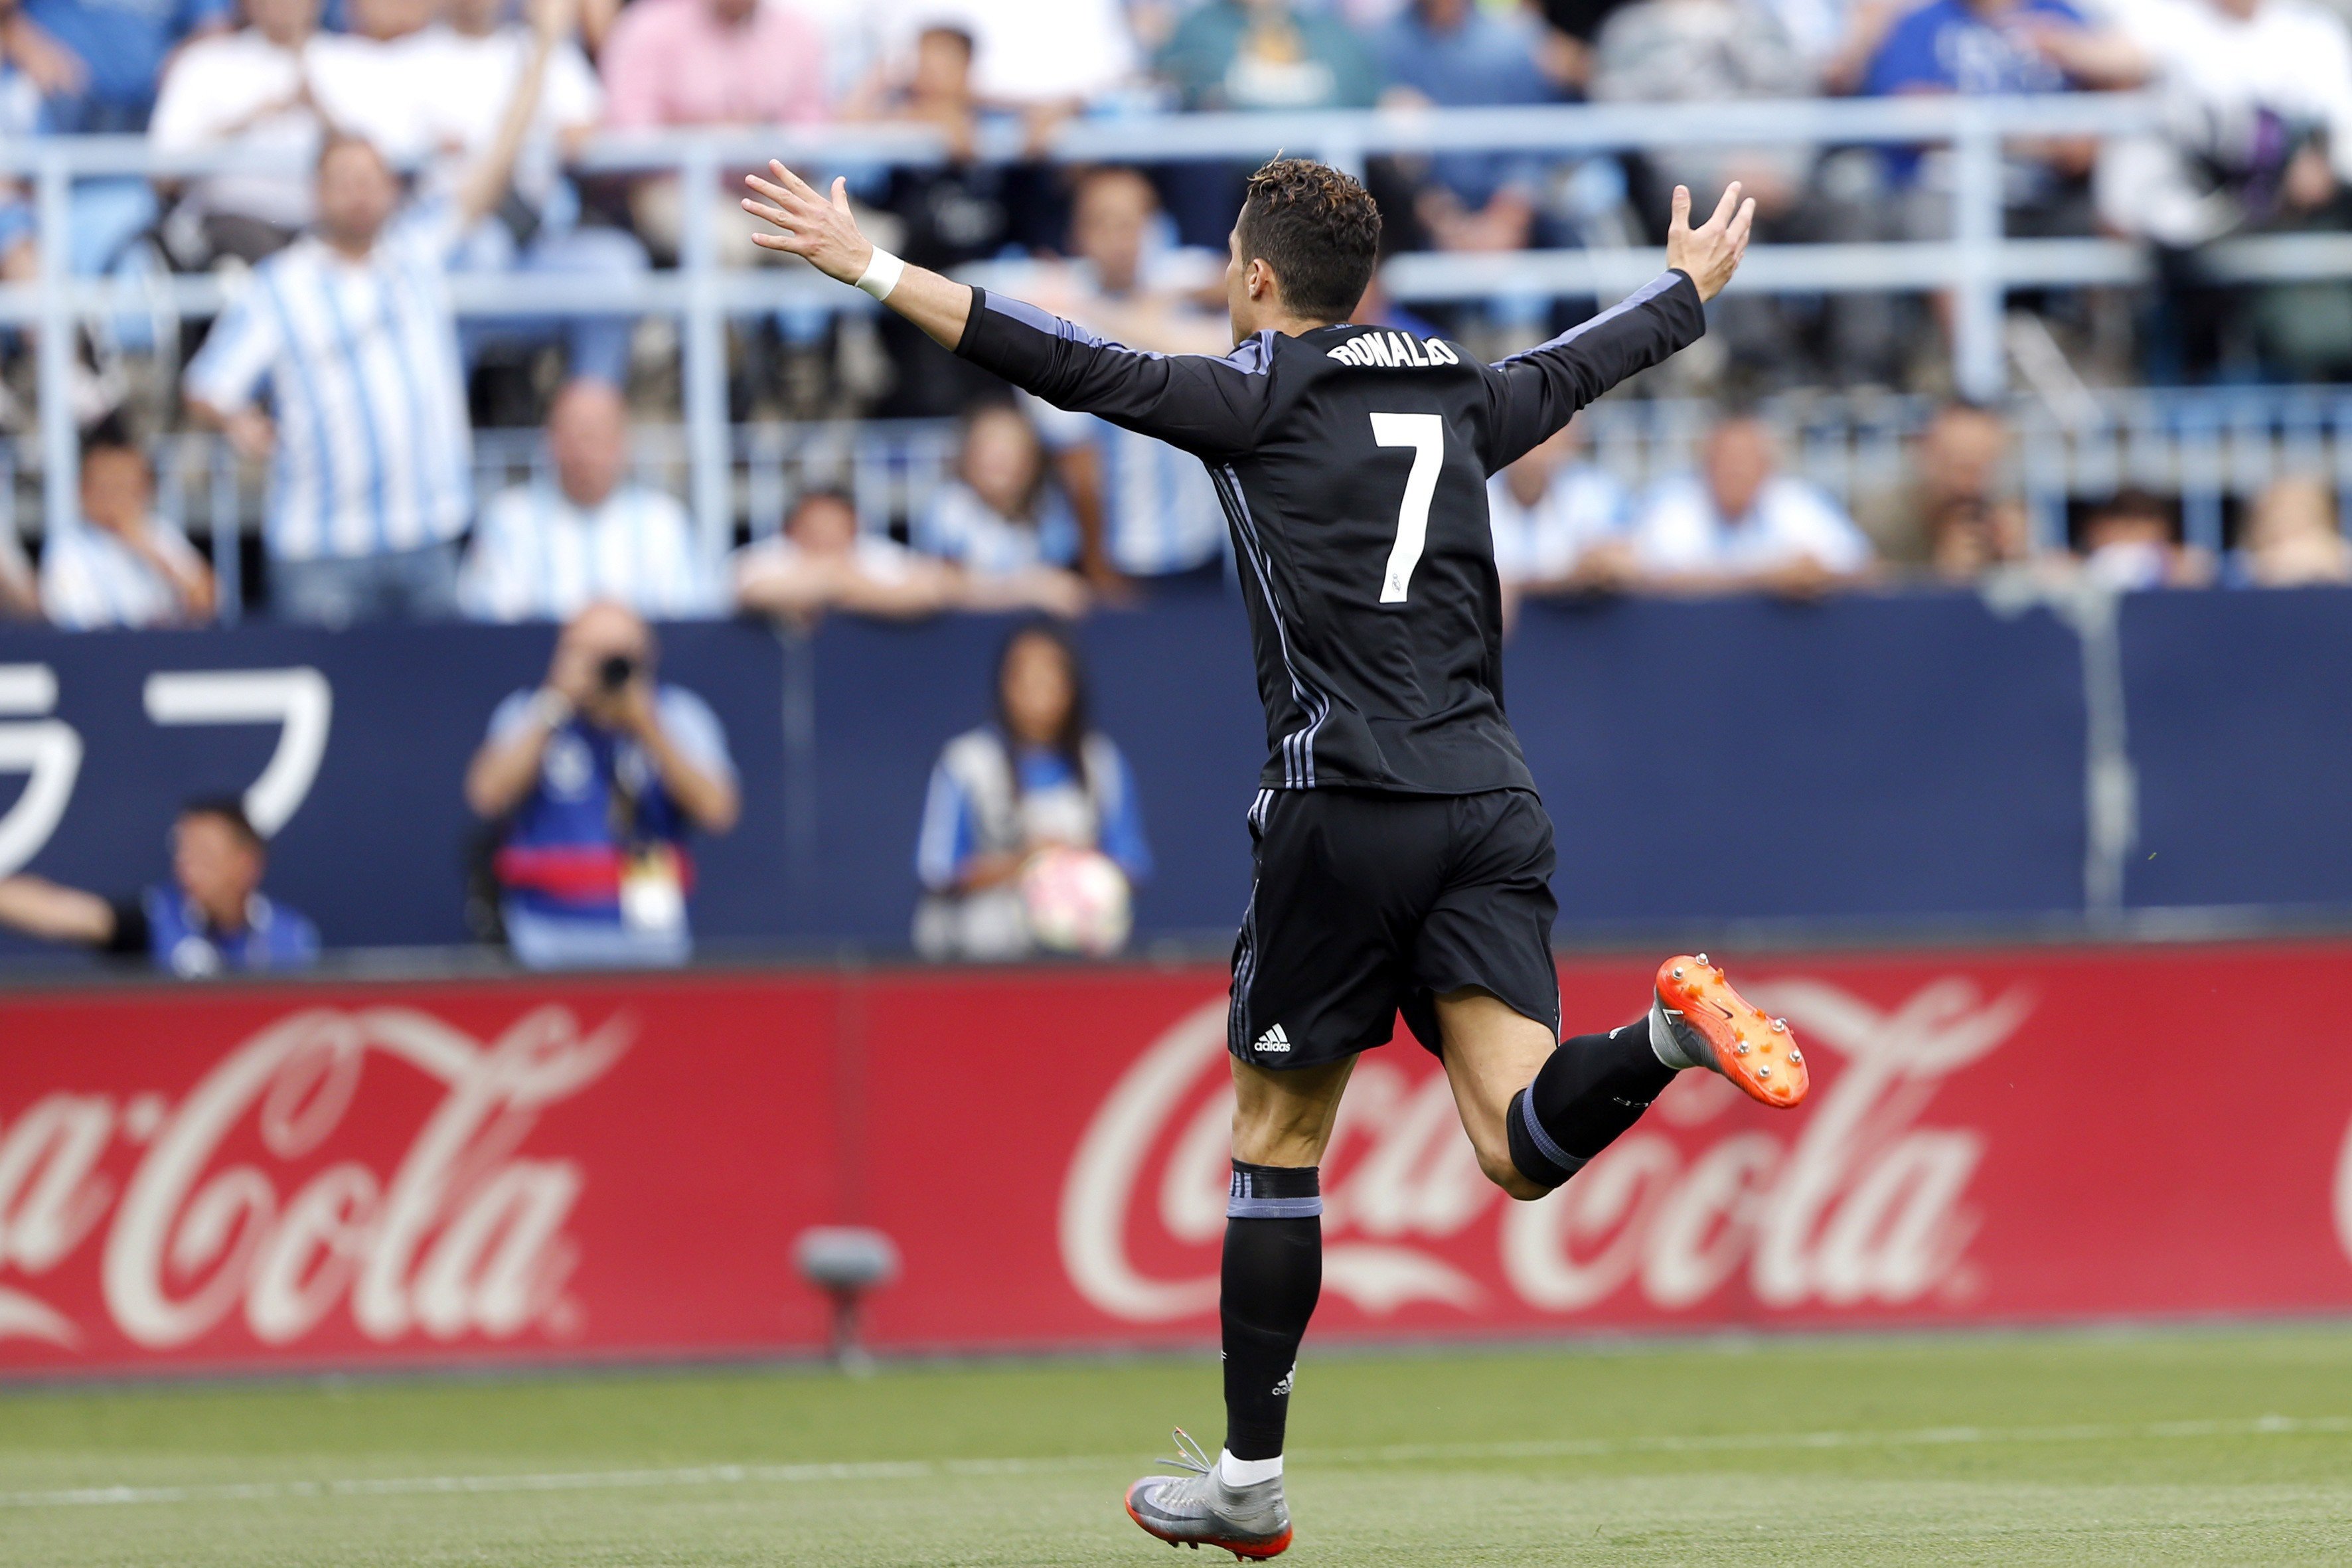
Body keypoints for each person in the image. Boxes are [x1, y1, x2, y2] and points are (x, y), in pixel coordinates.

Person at [741, 151, 1798, 1557]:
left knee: (1276, 1136)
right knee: (1514, 1138)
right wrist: (1683, 290)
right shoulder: (1454, 388)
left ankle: (1249, 1473)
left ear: (1253, 280)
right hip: (1489, 800)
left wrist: (866, 265)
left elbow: (1058, 356)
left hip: (1343, 802)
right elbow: (1575, 366)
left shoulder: (1251, 390)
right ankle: (1663, 1038)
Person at [181, 0, 578, 625]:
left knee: (443, 711)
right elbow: (208, 386)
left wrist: (543, 50)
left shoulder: (416, 253)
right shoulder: (281, 287)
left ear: (392, 188)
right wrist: (241, 424)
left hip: (427, 534)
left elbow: (495, 163)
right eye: (345, 181)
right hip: (323, 549)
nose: (361, 194)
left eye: (372, 180)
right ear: (318, 192)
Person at [463, 601, 740, 969]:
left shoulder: (677, 714)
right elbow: (487, 796)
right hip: (545, 934)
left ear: (648, 656)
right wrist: (554, 705)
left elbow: (717, 811)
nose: (606, 670)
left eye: (620, 656)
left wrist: (648, 728)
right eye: (591, 654)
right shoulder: (533, 712)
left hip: (650, 931)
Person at [1014, 167, 1233, 589]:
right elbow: (1077, 461)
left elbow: (1253, 289)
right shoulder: (1059, 316)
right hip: (1113, 557)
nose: (1120, 239)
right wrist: (1099, 567)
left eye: (1132, 222)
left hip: (1198, 545)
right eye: (1103, 223)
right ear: (1076, 234)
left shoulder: (1182, 278)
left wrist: (1166, 299)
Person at [420, 0, 647, 391]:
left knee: (618, 269)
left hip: (534, 241)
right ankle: (443, 419)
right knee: (480, 255)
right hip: (454, 244)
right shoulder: (414, 57)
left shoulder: (545, 51)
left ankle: (587, 428)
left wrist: (546, 44)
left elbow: (586, 129)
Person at [913, 621, 1151, 959]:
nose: (1038, 689)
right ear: (1005, 684)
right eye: (1025, 676)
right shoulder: (966, 763)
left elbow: (1131, 865)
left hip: (1076, 962)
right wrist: (1027, 863)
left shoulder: (1101, 763)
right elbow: (938, 870)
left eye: (1052, 675)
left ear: (1072, 687)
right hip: (976, 961)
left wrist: (1072, 866)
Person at [460, 379, 715, 623]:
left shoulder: (664, 521)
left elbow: (691, 621)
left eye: (596, 436)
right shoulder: (509, 519)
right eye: (573, 435)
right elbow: (488, 625)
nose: (584, 451)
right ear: (549, 441)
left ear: (623, 443)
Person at [598, 0, 828, 267]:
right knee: (726, 241)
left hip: (768, 186)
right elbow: (629, 131)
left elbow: (813, 129)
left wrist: (758, 141)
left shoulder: (796, 31)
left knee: (842, 239)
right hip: (672, 187)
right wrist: (703, 134)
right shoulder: (650, 25)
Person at [0, 797, 319, 975]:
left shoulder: (293, 938)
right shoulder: (155, 920)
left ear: (247, 864)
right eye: (183, 852)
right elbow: (67, 913)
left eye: (205, 855)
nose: (188, 866)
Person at [146, 0, 328, 265]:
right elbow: (161, 175)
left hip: (332, 227)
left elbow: (388, 168)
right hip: (229, 225)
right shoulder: (205, 61)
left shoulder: (351, 60)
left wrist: (320, 111)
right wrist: (244, 123)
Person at [1630, 412, 1875, 595]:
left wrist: (1820, 574)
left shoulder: (1801, 503)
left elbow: (1869, 570)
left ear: (1768, 467)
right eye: (1726, 460)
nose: (1736, 471)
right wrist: (1767, 580)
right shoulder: (1673, 504)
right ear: (1705, 466)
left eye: (1746, 461)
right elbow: (1641, 575)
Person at [913, 401, 1092, 613]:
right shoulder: (949, 509)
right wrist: (1022, 591)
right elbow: (940, 583)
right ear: (968, 458)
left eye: (1011, 452)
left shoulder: (1049, 510)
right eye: (989, 452)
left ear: (1032, 462)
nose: (1000, 464)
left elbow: (1062, 581)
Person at [40, 422, 216, 629]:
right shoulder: (70, 548)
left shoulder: (158, 533)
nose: (118, 499)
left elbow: (207, 602)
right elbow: (78, 623)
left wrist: (146, 548)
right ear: (83, 492)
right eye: (107, 487)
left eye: (127, 486)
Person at [1486, 418, 1636, 603]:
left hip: (1575, 623)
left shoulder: (1596, 491)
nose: (1534, 447)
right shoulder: (1473, 494)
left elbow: (1624, 563)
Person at [2232, 475, 2352, 586]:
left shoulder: (2342, 559)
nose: (2283, 521)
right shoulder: (2236, 569)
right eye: (2274, 512)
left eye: (2300, 511)